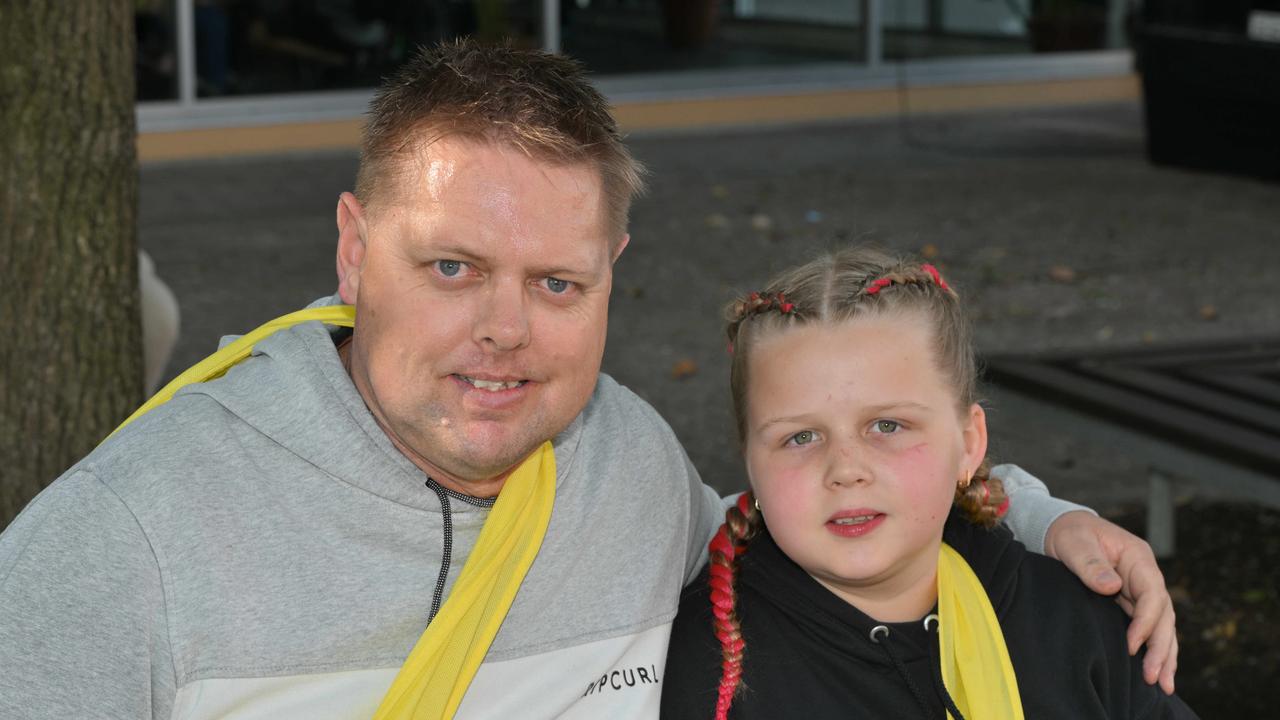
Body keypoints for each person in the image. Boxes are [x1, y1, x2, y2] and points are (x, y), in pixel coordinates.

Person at [0, 41, 1174, 718]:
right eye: (452, 267)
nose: (503, 330)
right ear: (354, 250)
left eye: (557, 284)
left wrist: (1035, 510)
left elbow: (817, 511)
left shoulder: (626, 467)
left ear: (613, 273)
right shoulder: (123, 544)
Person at [661, 247, 1195, 719]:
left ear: (969, 442)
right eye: (800, 437)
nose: (846, 468)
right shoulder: (706, 674)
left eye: (887, 426)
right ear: (749, 461)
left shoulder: (1072, 621)